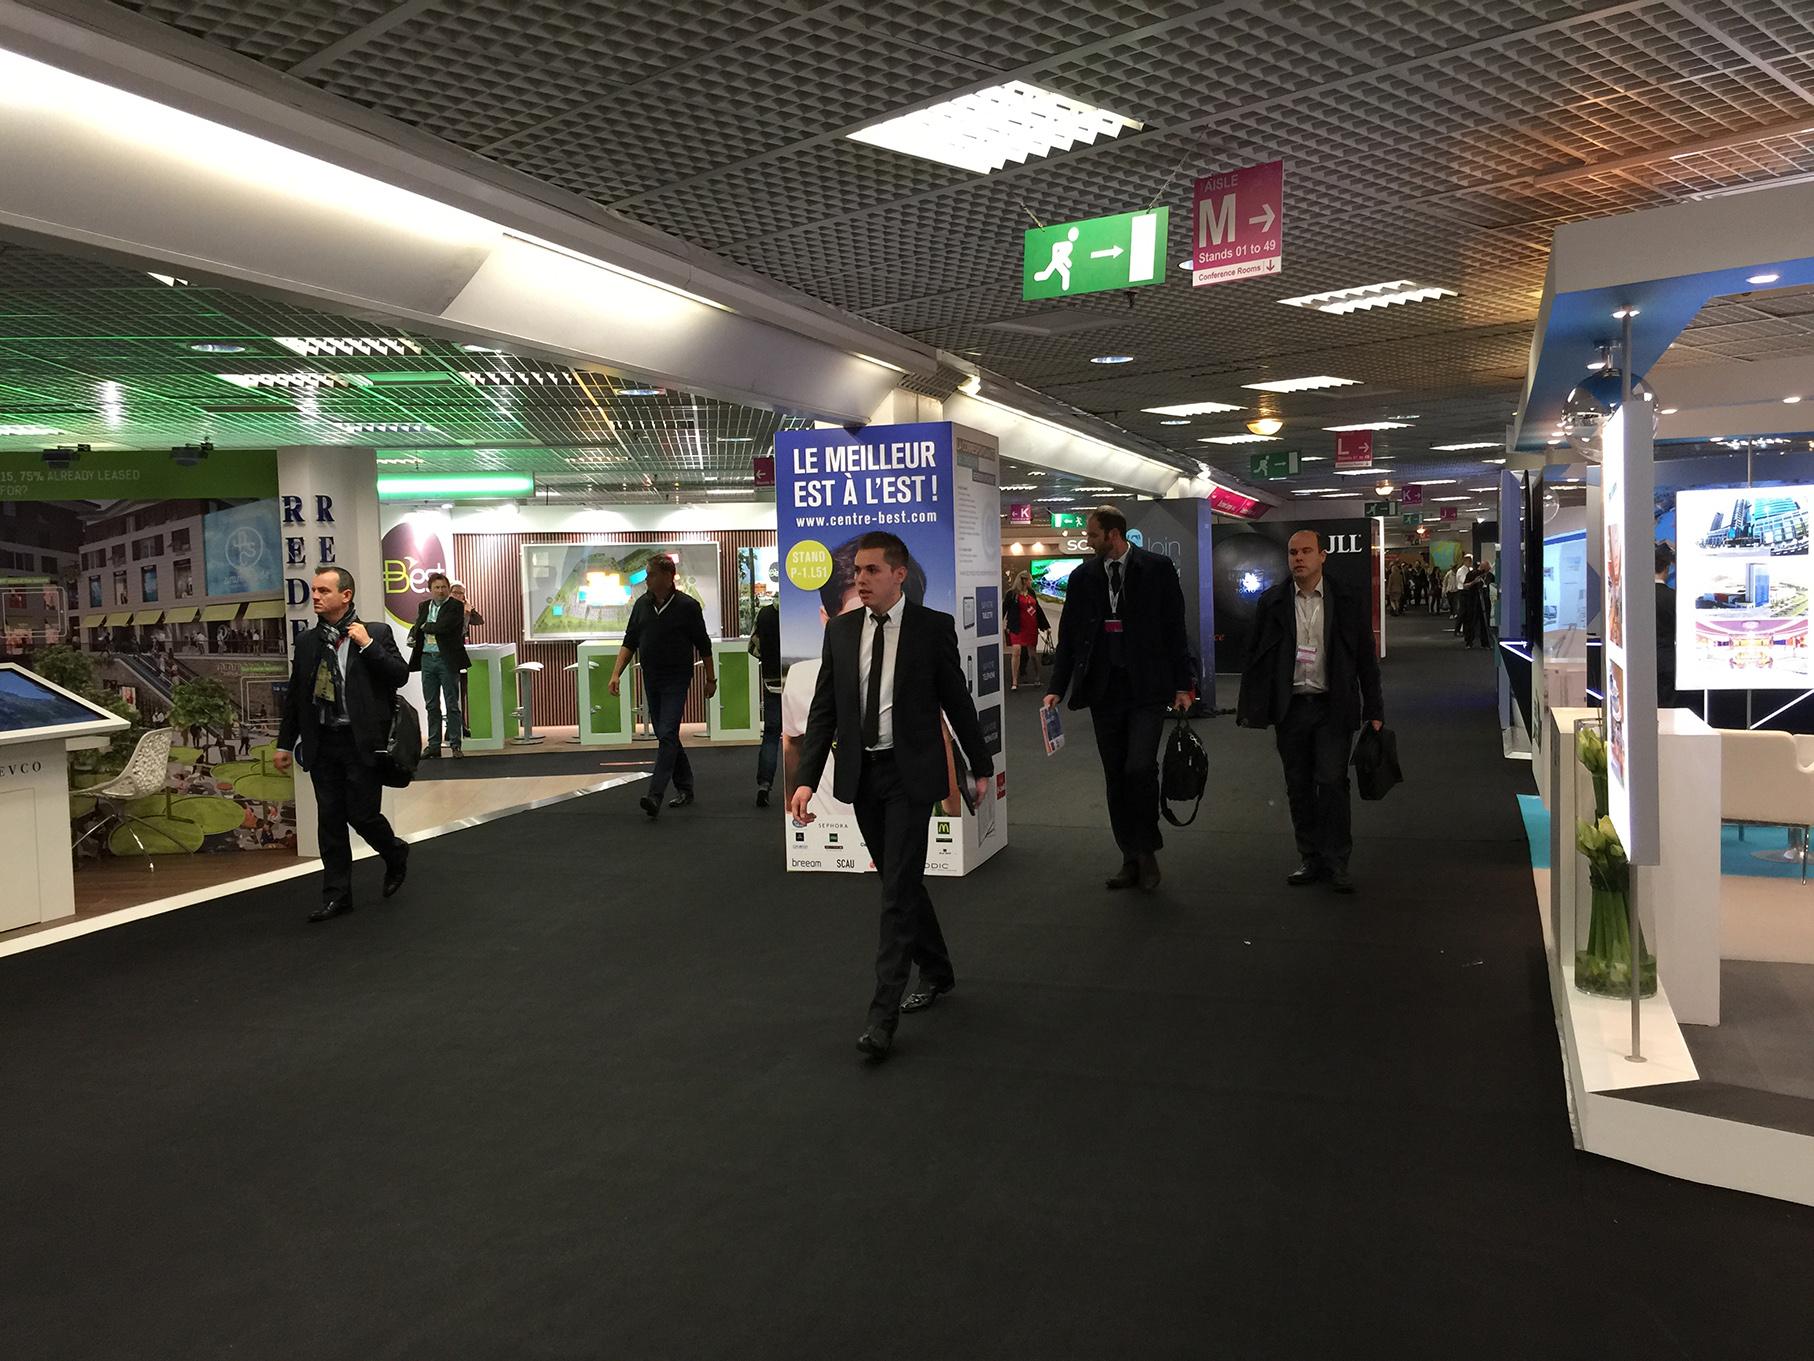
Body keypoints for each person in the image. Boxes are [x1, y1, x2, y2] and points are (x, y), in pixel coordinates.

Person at [790, 532, 993, 1061]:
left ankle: (881, 1017)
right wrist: (806, 779)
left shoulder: (931, 628)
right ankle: (939, 969)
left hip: (911, 776)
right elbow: (824, 712)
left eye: (872, 570)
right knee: (897, 879)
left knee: (896, 892)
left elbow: (957, 701)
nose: (860, 579)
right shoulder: (841, 632)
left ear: (899, 575)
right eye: (857, 570)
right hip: (863, 776)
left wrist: (981, 767)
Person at [1043, 505, 1193, 892]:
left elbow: (1175, 629)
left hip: (1147, 688)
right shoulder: (1083, 577)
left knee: (1139, 768)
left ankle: (1147, 851)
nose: (1088, 541)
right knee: (1115, 776)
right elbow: (1069, 636)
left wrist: (1183, 685)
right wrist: (1056, 686)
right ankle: (1129, 856)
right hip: (1103, 690)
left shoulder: (1156, 569)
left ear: (1113, 534)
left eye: (1092, 535)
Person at [1236, 530, 1385, 894]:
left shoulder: (1345, 599)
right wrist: (1252, 707)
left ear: (1322, 556)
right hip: (1291, 709)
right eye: (1292, 552)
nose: (1298, 558)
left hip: (1332, 706)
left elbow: (1365, 657)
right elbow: (1255, 657)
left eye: (1305, 551)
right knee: (1298, 786)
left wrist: (1375, 708)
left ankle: (1337, 861)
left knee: (1332, 782)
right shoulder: (1272, 602)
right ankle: (1310, 857)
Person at [273, 567, 410, 923]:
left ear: (345, 595)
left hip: (362, 742)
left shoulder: (374, 633)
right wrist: (284, 744)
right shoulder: (308, 642)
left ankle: (394, 852)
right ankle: (337, 895)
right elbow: (296, 698)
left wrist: (368, 645)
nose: (315, 597)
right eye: (314, 590)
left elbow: (399, 675)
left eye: (323, 591)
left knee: (363, 815)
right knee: (330, 821)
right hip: (323, 742)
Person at [607, 555, 716, 818]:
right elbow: (630, 641)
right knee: (666, 735)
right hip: (651, 677)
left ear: (668, 577)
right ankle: (686, 786)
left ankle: (654, 795)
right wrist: (615, 673)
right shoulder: (641, 605)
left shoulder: (687, 606)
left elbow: (704, 645)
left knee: (667, 733)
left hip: (677, 678)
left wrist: (710, 679)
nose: (647, 579)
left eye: (652, 574)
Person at [406, 571, 467, 759]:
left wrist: (426, 627)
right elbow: (418, 625)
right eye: (437, 588)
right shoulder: (424, 606)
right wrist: (414, 633)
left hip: (446, 659)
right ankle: (433, 745)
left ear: (448, 589)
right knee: (431, 704)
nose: (440, 591)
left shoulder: (455, 606)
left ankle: (455, 743)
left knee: (452, 703)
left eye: (444, 587)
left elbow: (443, 627)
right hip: (427, 659)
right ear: (430, 589)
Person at [750, 600, 782, 807]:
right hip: (801, 679)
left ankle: (764, 784)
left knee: (771, 734)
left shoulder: (765, 614)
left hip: (772, 681)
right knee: (806, 735)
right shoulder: (801, 612)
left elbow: (754, 648)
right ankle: (805, 786)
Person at [1003, 569, 1050, 689]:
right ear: (1023, 580)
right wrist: (1000, 624)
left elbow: (1038, 609)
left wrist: (1046, 626)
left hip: (1031, 626)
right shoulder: (1012, 594)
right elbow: (1004, 609)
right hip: (1016, 627)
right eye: (1029, 580)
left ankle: (1037, 675)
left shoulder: (1031, 593)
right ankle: (1014, 681)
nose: (1031, 582)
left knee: (1032, 654)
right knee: (1016, 651)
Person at [1656, 540, 1677, 709]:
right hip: (1668, 662)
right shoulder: (1673, 597)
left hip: (1641, 662)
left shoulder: (1635, 599)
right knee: (1666, 709)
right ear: (1666, 569)